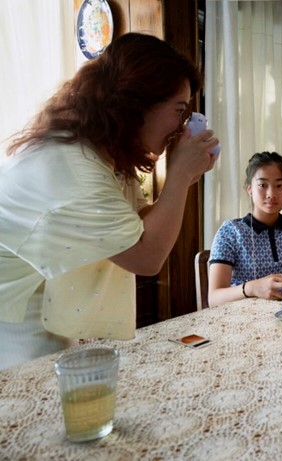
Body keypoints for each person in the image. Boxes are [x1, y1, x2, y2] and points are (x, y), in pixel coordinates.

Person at [0, 33, 217, 370]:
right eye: (179, 110)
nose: (182, 125)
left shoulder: (100, 153)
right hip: (11, 317)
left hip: (40, 303)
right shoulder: (70, 167)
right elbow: (146, 256)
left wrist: (185, 177)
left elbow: (136, 223)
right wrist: (177, 176)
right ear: (137, 102)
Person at [208, 152, 282, 304]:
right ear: (249, 188)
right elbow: (214, 298)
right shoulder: (230, 232)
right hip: (244, 318)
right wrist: (251, 288)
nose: (271, 194)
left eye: (279, 185)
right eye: (262, 185)